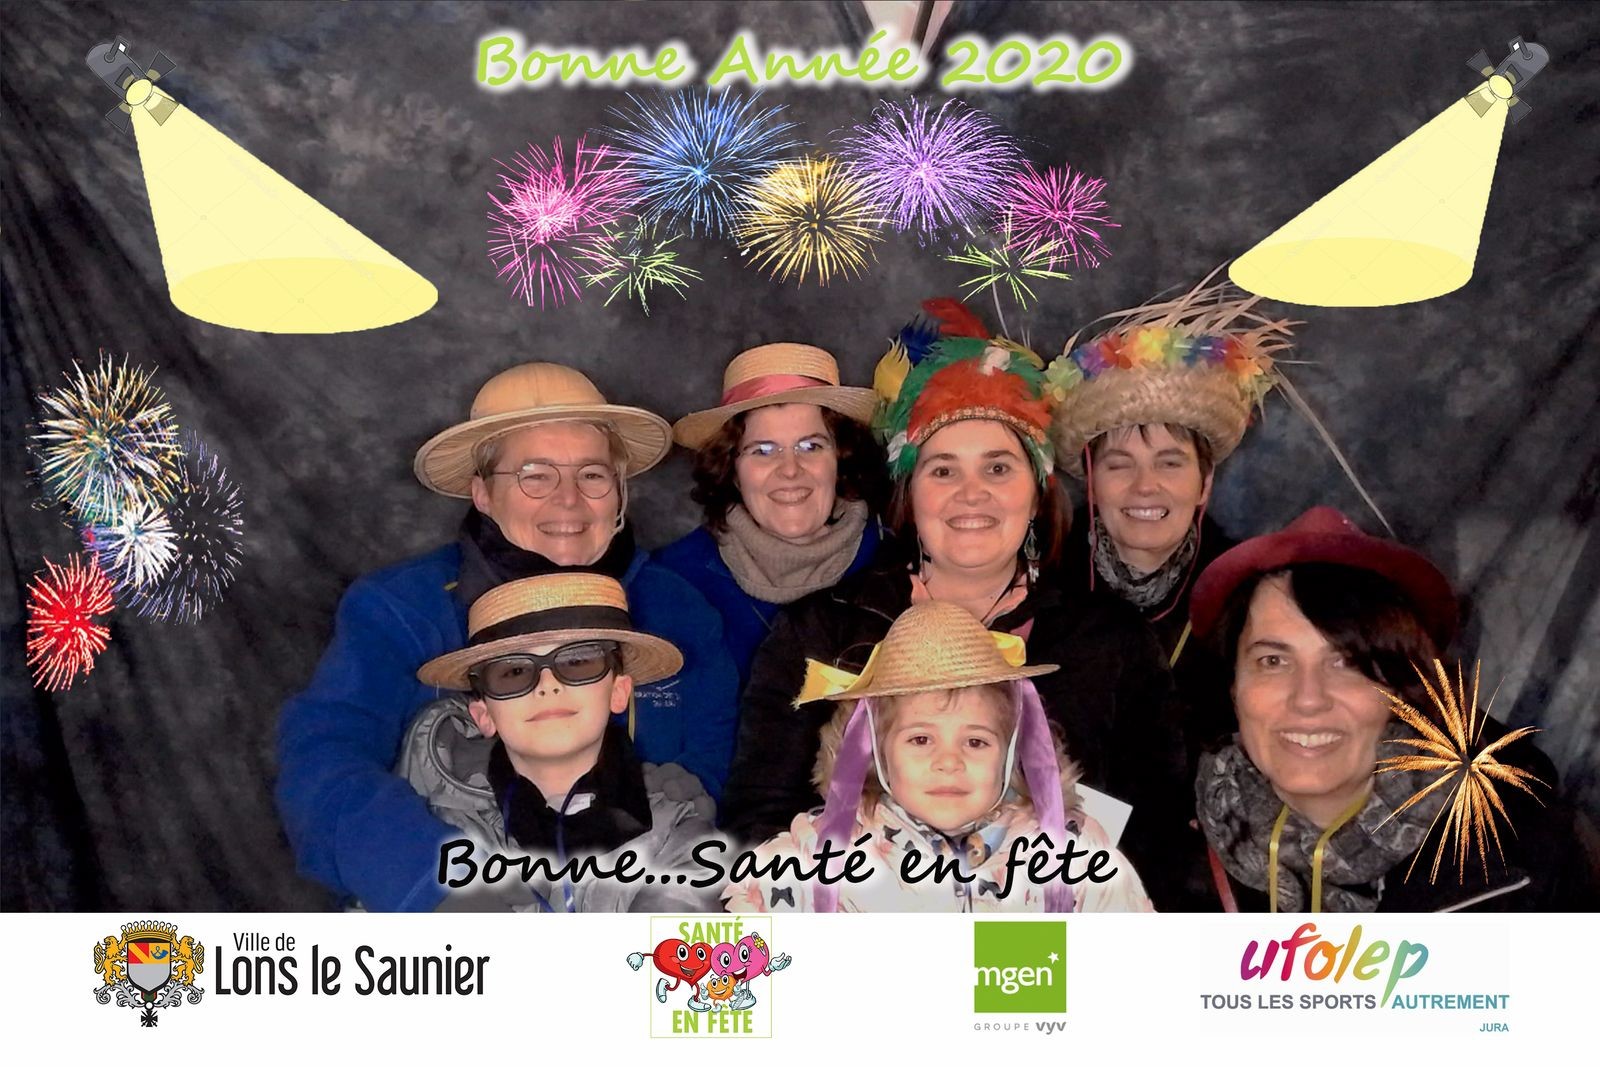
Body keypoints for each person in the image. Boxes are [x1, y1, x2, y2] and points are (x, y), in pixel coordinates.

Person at [720, 327, 1192, 907]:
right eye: (943, 470)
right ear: (910, 495)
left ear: (1036, 493)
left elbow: (1158, 835)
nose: (972, 494)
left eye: (998, 469)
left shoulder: (1111, 640)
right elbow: (758, 818)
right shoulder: (821, 633)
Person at [277, 362, 739, 911]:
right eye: (535, 476)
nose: (568, 500)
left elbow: (714, 765)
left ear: (619, 492)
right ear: (482, 493)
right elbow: (322, 768)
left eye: (592, 475)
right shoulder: (400, 609)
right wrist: (437, 884)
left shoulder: (680, 611)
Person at [1189, 506, 1587, 911]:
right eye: (1273, 661)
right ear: (1235, 687)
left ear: (1401, 689)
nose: (1308, 698)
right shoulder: (1171, 851)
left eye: (1347, 662)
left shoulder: (1526, 867)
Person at [723, 601, 1151, 913]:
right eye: (921, 739)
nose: (949, 762)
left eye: (976, 742)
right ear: (876, 753)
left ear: (1012, 753)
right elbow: (738, 983)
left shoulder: (1075, 856)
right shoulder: (811, 859)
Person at [1049, 275, 1296, 762]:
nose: (1145, 486)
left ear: (1204, 483)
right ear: (1091, 482)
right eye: (1120, 465)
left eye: (1169, 463)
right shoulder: (1039, 582)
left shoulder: (1251, 597)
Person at [400, 572, 718, 912]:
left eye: (577, 662)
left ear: (619, 692)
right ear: (484, 715)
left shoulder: (676, 834)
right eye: (514, 672)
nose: (547, 684)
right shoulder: (428, 829)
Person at [655, 343, 887, 687]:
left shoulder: (897, 565)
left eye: (811, 446)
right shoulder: (672, 581)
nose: (790, 470)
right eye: (763, 450)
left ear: (840, 459)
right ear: (732, 469)